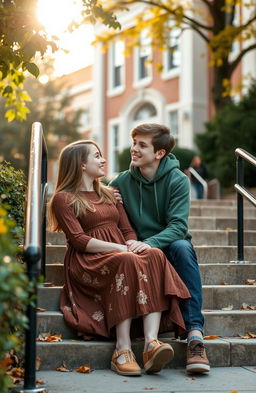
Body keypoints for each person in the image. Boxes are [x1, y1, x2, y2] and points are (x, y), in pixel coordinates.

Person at [48, 140, 191, 377]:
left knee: (153, 254)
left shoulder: (109, 193)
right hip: (88, 260)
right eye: (97, 156)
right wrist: (120, 249)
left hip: (119, 252)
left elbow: (127, 230)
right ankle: (121, 349)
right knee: (127, 259)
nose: (103, 160)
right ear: (81, 164)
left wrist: (132, 245)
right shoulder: (64, 198)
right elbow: (79, 240)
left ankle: (151, 344)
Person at [109, 123, 210, 374]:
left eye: (142, 145)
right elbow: (96, 202)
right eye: (134, 143)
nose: (134, 149)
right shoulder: (121, 180)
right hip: (134, 248)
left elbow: (178, 226)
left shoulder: (177, 180)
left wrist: (150, 243)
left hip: (164, 245)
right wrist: (107, 196)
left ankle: (195, 336)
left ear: (159, 153)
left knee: (183, 248)